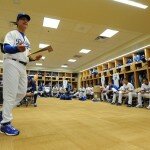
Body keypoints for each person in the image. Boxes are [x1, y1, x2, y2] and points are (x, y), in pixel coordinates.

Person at [0, 13, 42, 136]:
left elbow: (26, 57)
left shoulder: (27, 40)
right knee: (10, 93)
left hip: (23, 66)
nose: (25, 21)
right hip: (11, 63)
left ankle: (3, 114)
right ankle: (5, 124)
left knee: (22, 92)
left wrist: (35, 59)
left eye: (27, 20)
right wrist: (17, 48)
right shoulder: (12, 34)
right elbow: (6, 48)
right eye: (22, 19)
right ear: (17, 22)